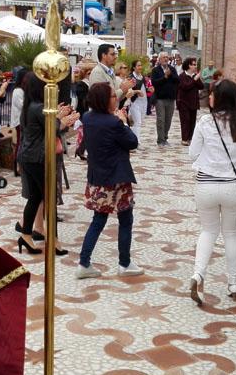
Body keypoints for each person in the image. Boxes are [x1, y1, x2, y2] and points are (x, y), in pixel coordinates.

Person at [187, 79, 236, 305]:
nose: (210, 97)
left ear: (221, 98)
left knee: (208, 231)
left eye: (213, 94)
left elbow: (192, 154)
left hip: (205, 184)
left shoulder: (205, 122)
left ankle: (198, 274)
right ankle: (233, 283)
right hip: (232, 186)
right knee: (231, 234)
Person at [76, 82, 142, 279]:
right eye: (114, 96)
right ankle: (124, 263)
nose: (117, 99)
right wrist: (122, 121)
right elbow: (133, 142)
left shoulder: (87, 118)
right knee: (125, 219)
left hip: (98, 176)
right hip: (117, 178)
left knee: (98, 220)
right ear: (104, 100)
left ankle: (84, 262)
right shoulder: (113, 123)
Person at [16, 76, 78, 255]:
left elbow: (48, 125)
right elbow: (54, 128)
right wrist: (64, 122)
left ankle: (26, 235)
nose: (55, 90)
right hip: (38, 159)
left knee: (35, 197)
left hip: (28, 157)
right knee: (49, 200)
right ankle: (53, 240)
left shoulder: (30, 106)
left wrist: (58, 118)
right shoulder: (39, 108)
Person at [150, 52, 179, 146]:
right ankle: (160, 140)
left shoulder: (172, 69)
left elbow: (177, 81)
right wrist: (165, 77)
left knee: (168, 119)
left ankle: (165, 137)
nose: (166, 59)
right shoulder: (155, 70)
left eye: (167, 57)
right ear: (159, 59)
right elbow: (154, 83)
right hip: (160, 99)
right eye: (163, 57)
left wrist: (171, 75)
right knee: (161, 119)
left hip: (171, 98)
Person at [177, 57, 204, 145]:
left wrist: (197, 78)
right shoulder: (182, 76)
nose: (195, 66)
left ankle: (190, 138)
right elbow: (185, 87)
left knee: (192, 121)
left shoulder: (194, 76)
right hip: (183, 102)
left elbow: (201, 86)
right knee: (185, 120)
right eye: (194, 64)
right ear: (188, 65)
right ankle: (184, 139)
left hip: (194, 102)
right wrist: (194, 79)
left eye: (196, 64)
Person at [10, 69, 30, 176]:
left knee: (22, 143)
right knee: (19, 144)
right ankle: (17, 166)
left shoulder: (24, 90)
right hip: (19, 121)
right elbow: (23, 106)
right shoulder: (18, 91)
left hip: (24, 122)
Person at [128, 59, 150, 145]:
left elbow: (144, 87)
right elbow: (129, 91)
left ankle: (133, 137)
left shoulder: (142, 77)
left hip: (143, 102)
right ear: (134, 67)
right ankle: (136, 141)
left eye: (141, 65)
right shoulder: (131, 77)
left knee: (139, 121)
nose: (140, 67)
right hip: (134, 102)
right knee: (138, 121)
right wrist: (137, 91)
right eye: (138, 65)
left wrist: (149, 89)